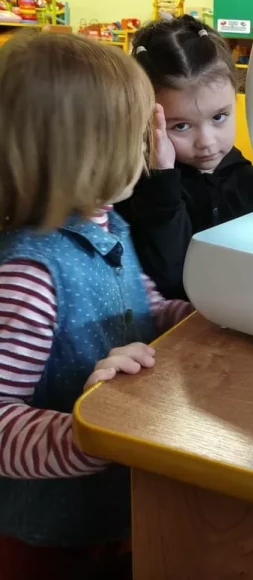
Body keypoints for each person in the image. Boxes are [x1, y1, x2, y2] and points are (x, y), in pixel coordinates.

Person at [0, 33, 193, 580]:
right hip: (50, 536)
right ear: (92, 153)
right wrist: (89, 434)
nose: (151, 150)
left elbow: (144, 307)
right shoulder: (28, 277)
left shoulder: (107, 222)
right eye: (139, 137)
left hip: (111, 504)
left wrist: (199, 319)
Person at [116, 16, 253, 300]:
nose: (207, 142)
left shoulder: (251, 183)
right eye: (181, 126)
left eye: (219, 117)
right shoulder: (135, 191)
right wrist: (162, 181)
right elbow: (169, 277)